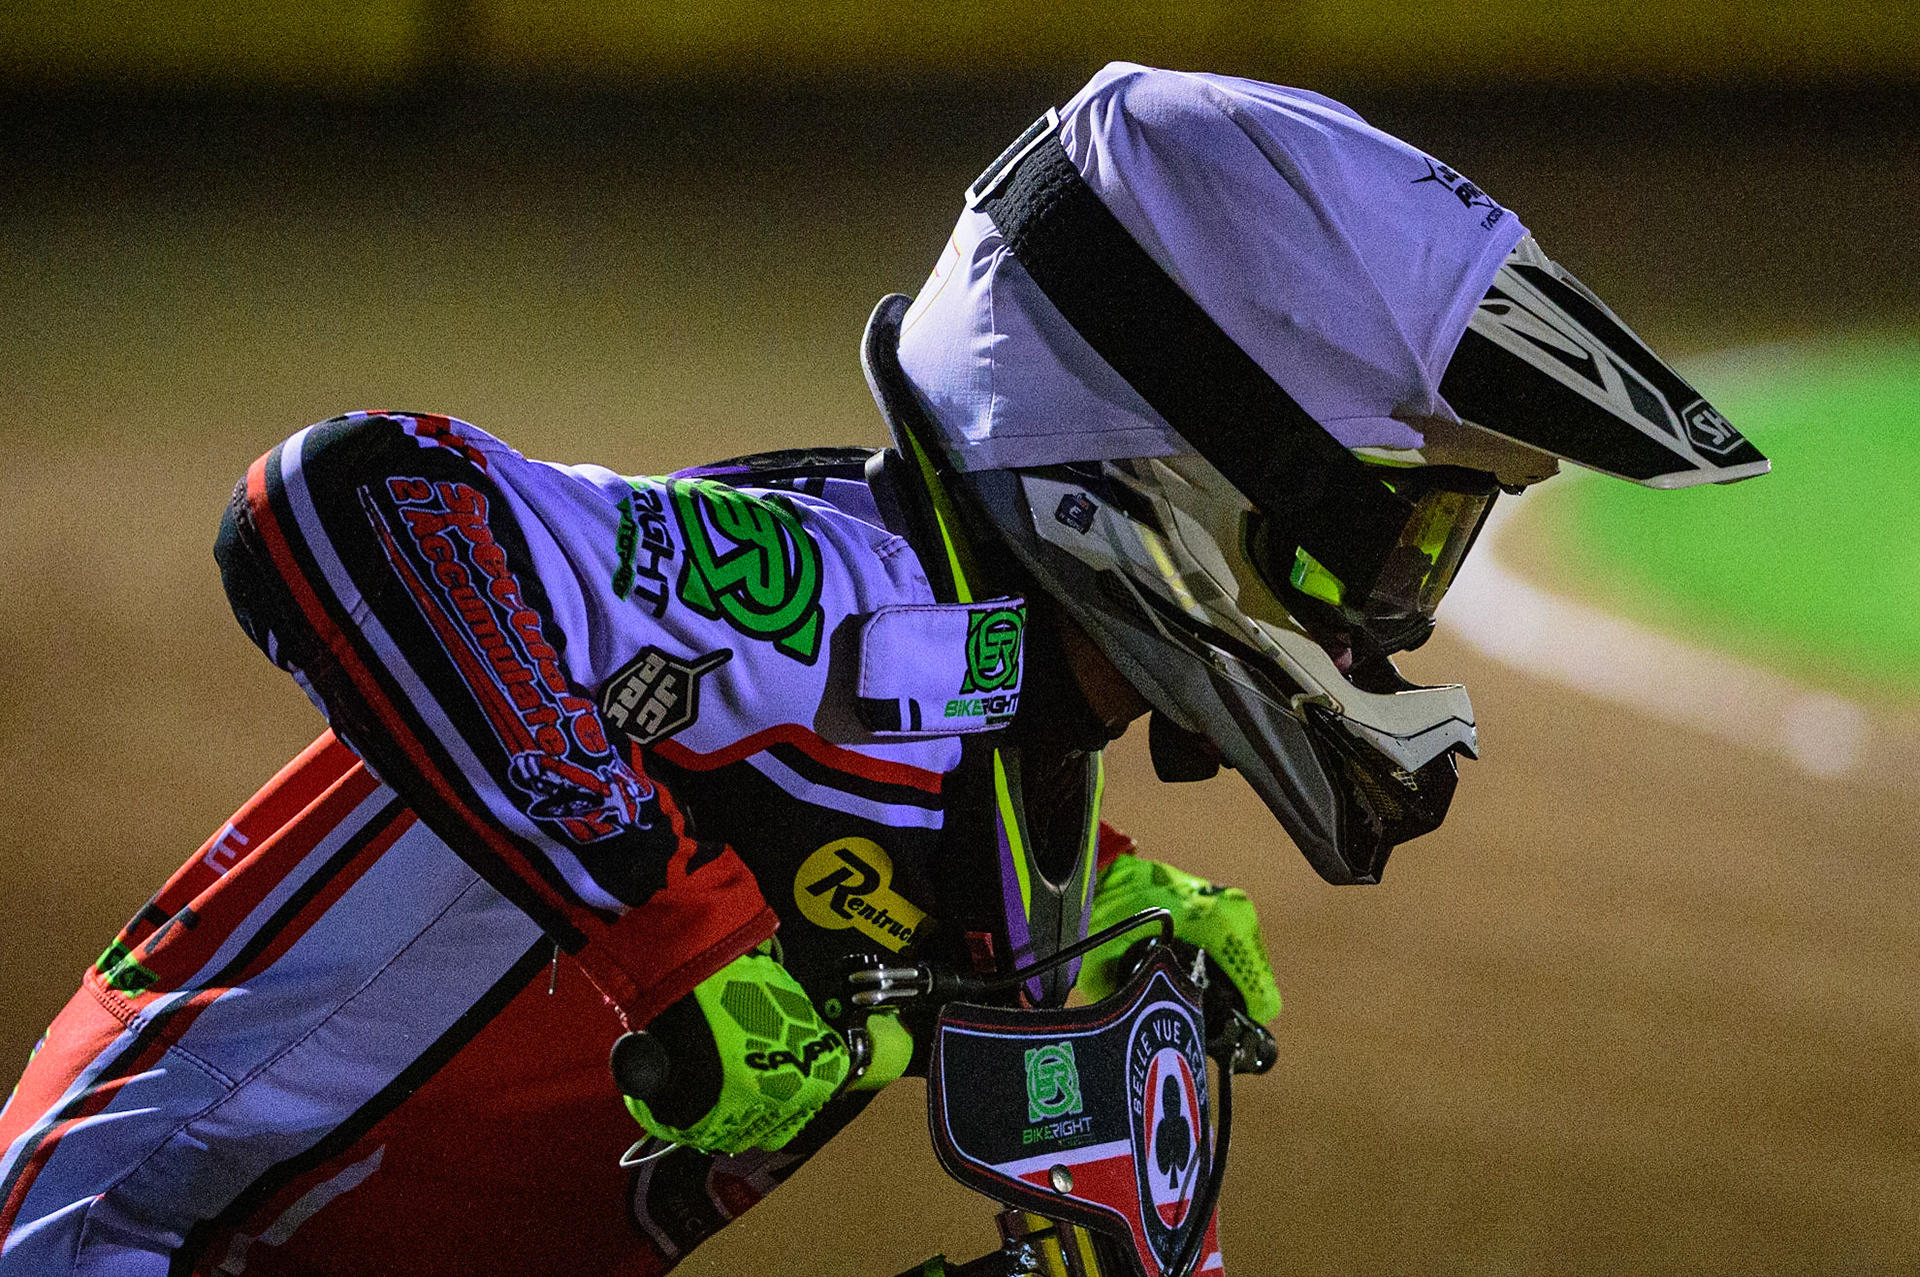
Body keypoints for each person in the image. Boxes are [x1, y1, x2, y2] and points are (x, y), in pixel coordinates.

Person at [0, 63, 1764, 1275]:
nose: (1389, 627)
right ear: (1168, 472)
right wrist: (670, 930)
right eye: (1379, 547)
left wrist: (1103, 1033)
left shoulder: (1027, 777)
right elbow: (343, 498)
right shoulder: (835, 603)